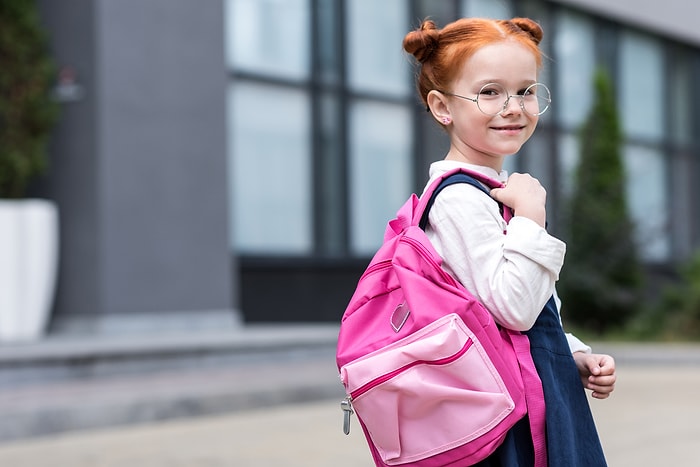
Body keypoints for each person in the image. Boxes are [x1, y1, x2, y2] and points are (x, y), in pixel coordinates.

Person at [402, 17, 616, 466]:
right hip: (510, 418)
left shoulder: (492, 191)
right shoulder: (459, 198)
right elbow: (513, 310)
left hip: (530, 391)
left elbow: (524, 311)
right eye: (490, 92)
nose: (514, 106)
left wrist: (570, 354)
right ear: (442, 106)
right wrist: (531, 215)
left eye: (526, 90)